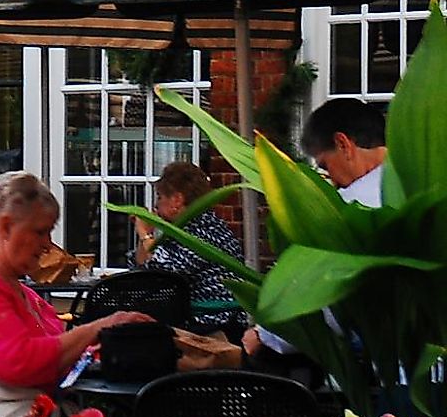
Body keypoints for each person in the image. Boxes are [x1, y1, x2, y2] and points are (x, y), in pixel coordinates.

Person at [0, 172, 153, 417]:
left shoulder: (21, 291)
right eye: (40, 231)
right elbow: (21, 363)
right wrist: (102, 327)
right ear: (6, 227)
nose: (47, 243)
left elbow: (57, 354)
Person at [247, 99, 390, 361]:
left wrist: (265, 334)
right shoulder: (420, 180)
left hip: (398, 373)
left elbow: (322, 300)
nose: (331, 181)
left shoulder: (348, 208)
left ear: (343, 144)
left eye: (325, 166)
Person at [138, 160, 240, 328]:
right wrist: (143, 235)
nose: (156, 204)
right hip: (189, 319)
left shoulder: (204, 232)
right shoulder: (181, 230)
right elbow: (143, 266)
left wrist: (145, 234)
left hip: (212, 323)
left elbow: (163, 274)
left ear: (177, 200)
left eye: (160, 197)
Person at [303, 98, 388, 207]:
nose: (333, 183)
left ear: (342, 145)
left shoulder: (345, 206)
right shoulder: (412, 176)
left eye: (326, 167)